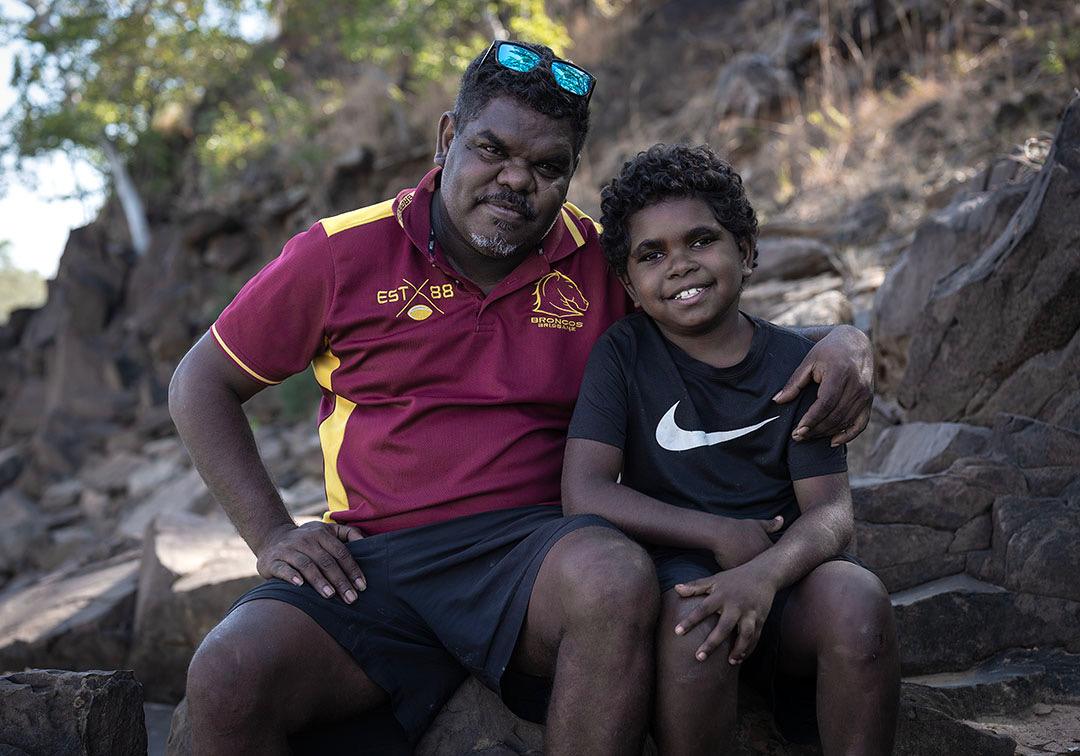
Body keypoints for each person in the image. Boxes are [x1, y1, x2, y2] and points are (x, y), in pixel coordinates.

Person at [169, 41, 875, 755]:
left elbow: (712, 321)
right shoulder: (339, 252)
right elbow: (200, 384)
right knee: (227, 675)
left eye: (547, 167)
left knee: (614, 579)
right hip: (373, 561)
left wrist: (842, 339)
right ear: (448, 138)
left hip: (535, 553)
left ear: (571, 172)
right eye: (492, 150)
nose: (516, 181)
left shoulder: (604, 266)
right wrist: (273, 535)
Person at [562, 143, 900, 756]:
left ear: (744, 250)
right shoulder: (623, 356)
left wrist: (764, 576)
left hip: (787, 574)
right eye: (651, 254)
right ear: (629, 282)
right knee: (695, 633)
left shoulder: (800, 365)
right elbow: (583, 491)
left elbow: (831, 512)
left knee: (860, 603)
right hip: (680, 578)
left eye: (700, 241)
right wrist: (716, 533)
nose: (680, 265)